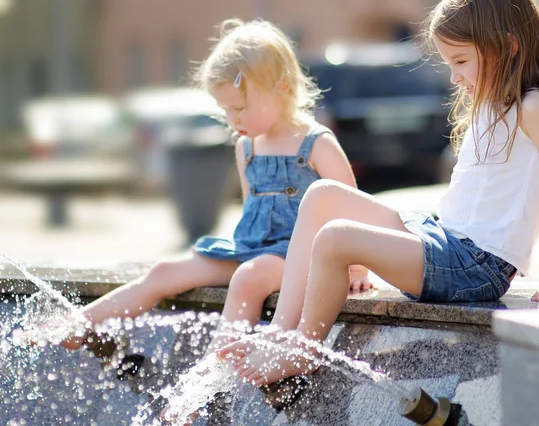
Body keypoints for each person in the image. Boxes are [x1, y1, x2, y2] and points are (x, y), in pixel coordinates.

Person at [216, 0, 539, 387]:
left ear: (507, 47)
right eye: (450, 64)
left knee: (335, 238)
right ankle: (280, 335)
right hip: (444, 239)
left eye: (461, 62)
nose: (454, 77)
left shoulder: (532, 107)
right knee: (322, 194)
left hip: (475, 267)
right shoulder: (490, 105)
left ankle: (303, 350)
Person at [44, 19, 370, 355]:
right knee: (164, 271)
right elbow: (251, 214)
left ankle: (212, 381)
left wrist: (356, 267)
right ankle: (80, 322)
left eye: (240, 108)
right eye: (225, 110)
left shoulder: (316, 143)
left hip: (301, 258)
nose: (233, 120)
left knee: (249, 278)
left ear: (283, 88)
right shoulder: (247, 147)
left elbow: (352, 207)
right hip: (253, 249)